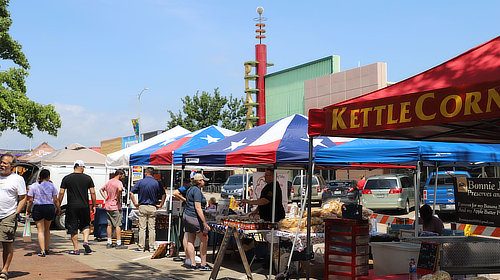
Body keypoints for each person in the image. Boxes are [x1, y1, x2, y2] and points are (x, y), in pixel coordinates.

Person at [58, 160, 97, 255]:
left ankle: (76, 249)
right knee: (86, 224)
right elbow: (92, 192)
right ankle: (86, 241)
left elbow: (61, 193)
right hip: (84, 205)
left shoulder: (66, 178)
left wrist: (58, 205)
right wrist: (94, 205)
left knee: (73, 227)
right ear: (81, 167)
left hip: (72, 206)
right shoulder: (88, 178)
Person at [0, 153, 27, 279]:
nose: (1, 165)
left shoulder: (17, 179)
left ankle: (4, 270)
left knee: (6, 243)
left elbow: (23, 198)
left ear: (12, 166)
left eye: (5, 163)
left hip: (8, 215)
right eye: (1, 162)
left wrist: (16, 213)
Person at [25, 169, 61, 257]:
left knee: (40, 230)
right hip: (49, 207)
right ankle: (47, 248)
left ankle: (42, 250)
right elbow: (55, 200)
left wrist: (27, 210)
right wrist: (59, 209)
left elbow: (30, 200)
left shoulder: (34, 186)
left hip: (38, 207)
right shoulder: (52, 186)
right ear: (48, 177)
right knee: (47, 229)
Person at [129, 167, 166, 252]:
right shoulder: (157, 183)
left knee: (142, 228)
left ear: (145, 173)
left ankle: (141, 247)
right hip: (152, 206)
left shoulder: (140, 182)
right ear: (153, 174)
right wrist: (161, 204)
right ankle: (151, 247)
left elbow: (131, 193)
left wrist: (135, 202)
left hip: (142, 205)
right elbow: (164, 194)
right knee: (152, 228)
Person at [183, 173, 211, 271]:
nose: (205, 182)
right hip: (194, 218)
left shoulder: (190, 189)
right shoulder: (197, 191)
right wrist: (204, 222)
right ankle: (203, 264)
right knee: (204, 238)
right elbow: (198, 207)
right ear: (199, 181)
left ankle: (193, 264)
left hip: (187, 216)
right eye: (204, 180)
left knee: (191, 239)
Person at [99, 169, 127, 249]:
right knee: (118, 225)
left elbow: (101, 189)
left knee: (109, 224)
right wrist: (117, 197)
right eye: (123, 175)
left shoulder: (109, 182)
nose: (123, 177)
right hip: (115, 206)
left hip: (108, 205)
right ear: (120, 174)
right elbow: (120, 189)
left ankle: (109, 241)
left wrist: (106, 198)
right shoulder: (119, 183)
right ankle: (118, 242)